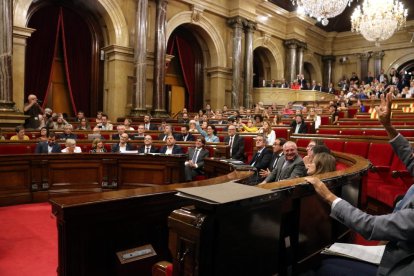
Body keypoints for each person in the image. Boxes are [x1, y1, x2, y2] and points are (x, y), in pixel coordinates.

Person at [305, 92, 414, 276]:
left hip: (397, 266)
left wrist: (329, 196)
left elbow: (369, 225)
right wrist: (387, 125)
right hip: (397, 247)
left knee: (324, 265)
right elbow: (409, 157)